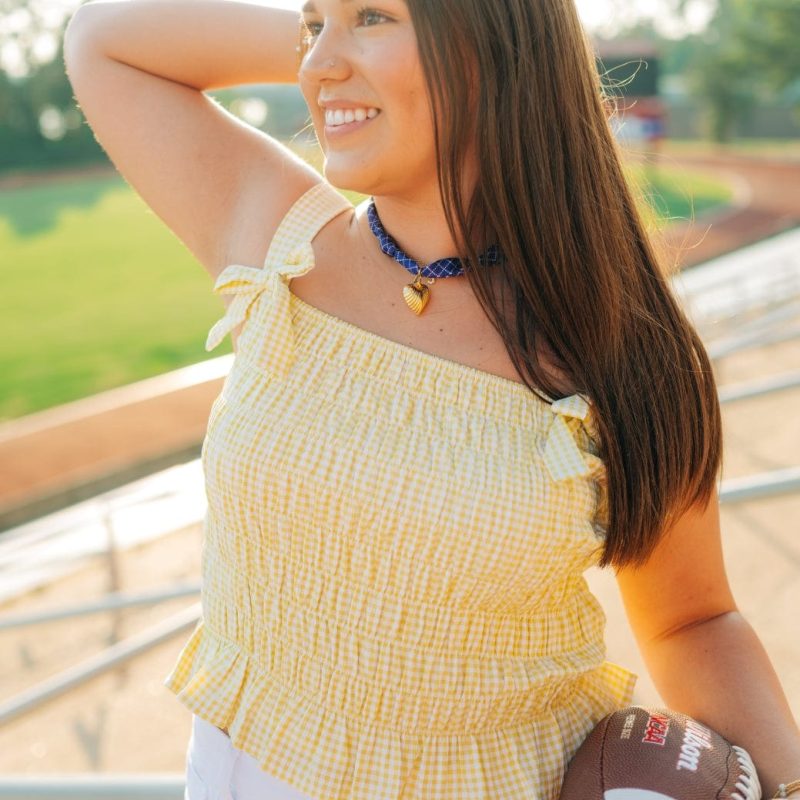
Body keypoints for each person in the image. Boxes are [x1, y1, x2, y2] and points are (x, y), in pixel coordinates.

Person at [62, 0, 800, 798]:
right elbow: (104, 39)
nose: (316, 64)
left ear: (491, 40)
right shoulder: (279, 239)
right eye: (314, 24)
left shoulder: (627, 354)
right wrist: (360, 56)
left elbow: (693, 620)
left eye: (372, 15)